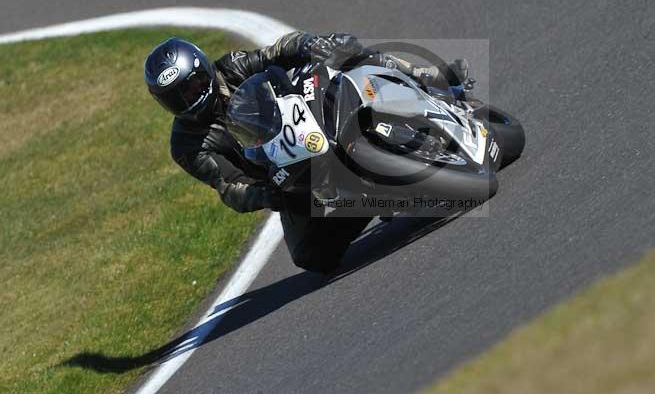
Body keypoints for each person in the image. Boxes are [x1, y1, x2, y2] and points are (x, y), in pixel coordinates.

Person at [143, 31, 467, 272]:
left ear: (204, 70)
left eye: (194, 86)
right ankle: (367, 201)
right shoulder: (187, 146)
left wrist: (309, 44)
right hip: (284, 176)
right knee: (310, 257)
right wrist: (261, 194)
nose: (190, 98)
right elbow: (228, 185)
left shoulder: (231, 67)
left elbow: (275, 52)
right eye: (177, 98)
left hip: (306, 116)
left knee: (345, 51)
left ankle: (428, 79)